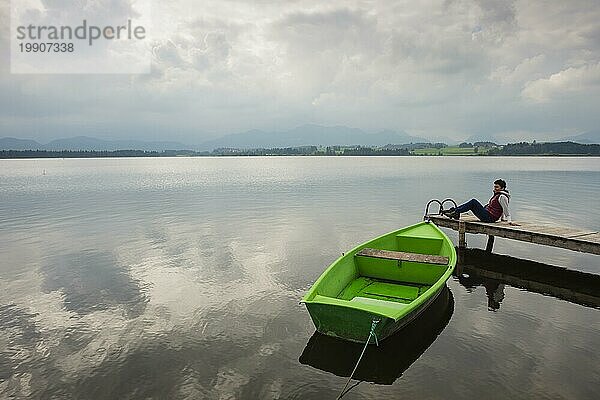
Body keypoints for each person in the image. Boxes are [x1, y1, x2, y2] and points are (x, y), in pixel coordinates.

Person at [443, 179, 519, 225]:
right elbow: (500, 208)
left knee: (473, 202)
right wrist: (502, 219)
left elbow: (505, 209)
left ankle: (455, 212)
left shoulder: (503, 196)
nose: (495, 188)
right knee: (474, 204)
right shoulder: (498, 195)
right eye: (494, 186)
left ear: (502, 188)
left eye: (497, 187)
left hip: (490, 218)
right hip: (488, 215)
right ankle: (454, 211)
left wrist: (509, 221)